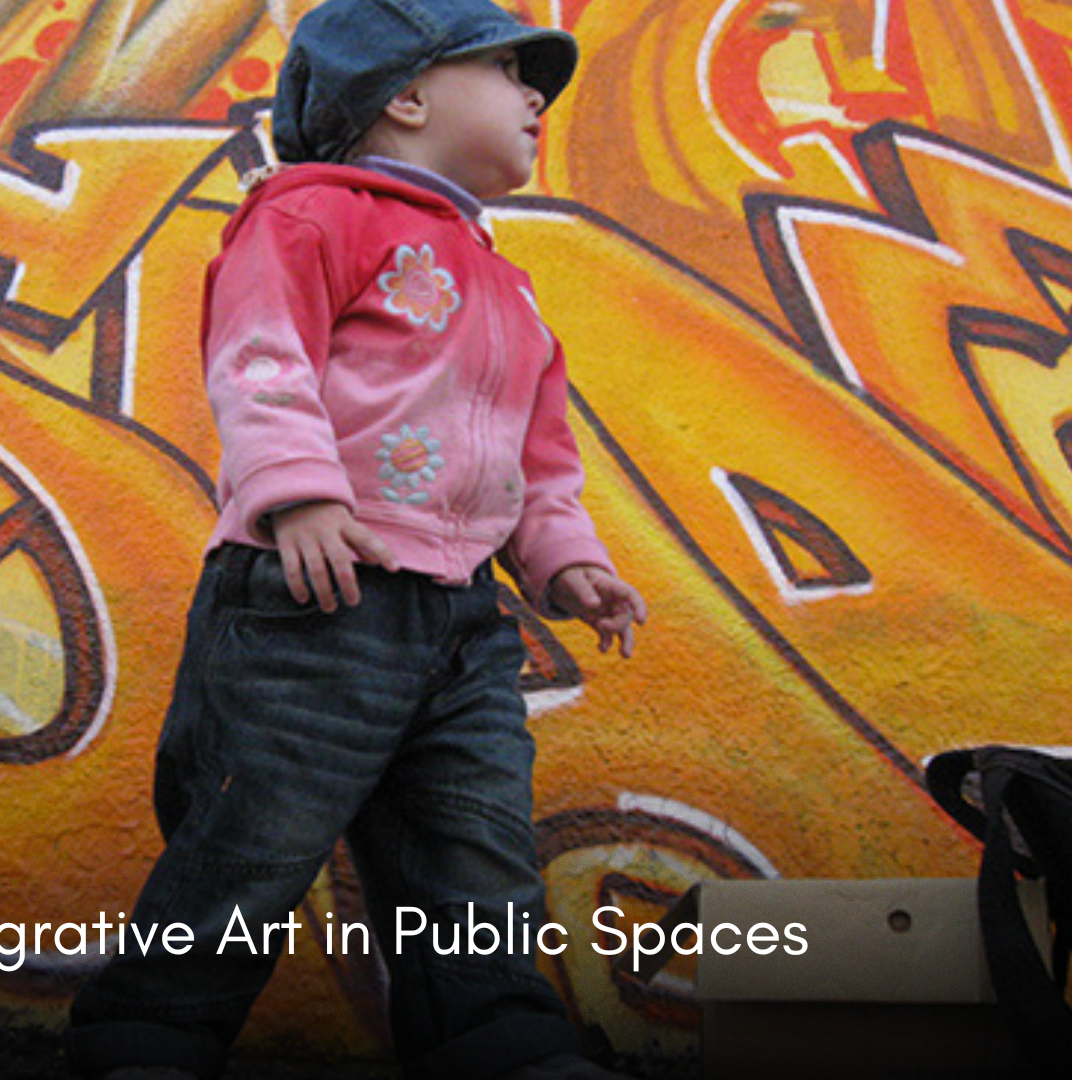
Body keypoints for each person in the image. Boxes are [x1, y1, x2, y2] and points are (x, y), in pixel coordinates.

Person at [66, 2, 647, 1078]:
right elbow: (259, 354)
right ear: (407, 95)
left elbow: (540, 448)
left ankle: (498, 1037)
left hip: (464, 623)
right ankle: (147, 1037)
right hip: (314, 595)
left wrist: (567, 560)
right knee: (253, 842)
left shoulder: (505, 282)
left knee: (471, 843)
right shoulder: (308, 215)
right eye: (511, 71)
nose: (534, 98)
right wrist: (299, 492)